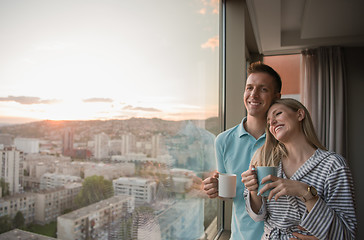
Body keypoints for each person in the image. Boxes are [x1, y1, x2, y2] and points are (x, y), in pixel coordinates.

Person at [241, 98, 357, 239]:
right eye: (268, 121)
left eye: (278, 114)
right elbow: (257, 216)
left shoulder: (333, 165)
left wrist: (305, 192)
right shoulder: (267, 161)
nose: (272, 122)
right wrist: (253, 190)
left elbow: (346, 235)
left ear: (300, 115)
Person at [203, 62, 282, 239]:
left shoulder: (283, 140)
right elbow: (230, 195)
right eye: (249, 88)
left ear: (277, 97)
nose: (253, 94)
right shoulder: (223, 140)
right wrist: (216, 189)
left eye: (263, 89)